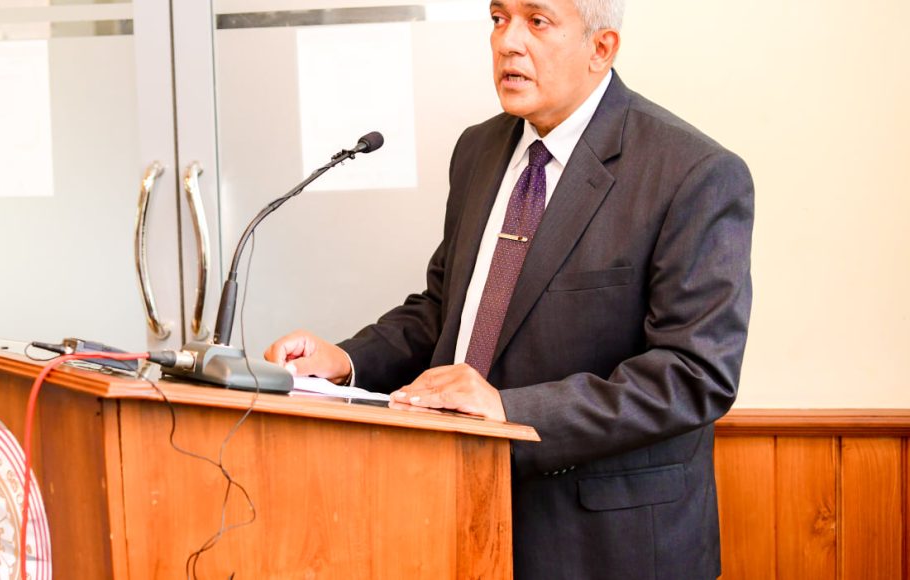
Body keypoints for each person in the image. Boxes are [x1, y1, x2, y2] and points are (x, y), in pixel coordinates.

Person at [264, 0, 753, 577]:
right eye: (499, 18)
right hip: (457, 508)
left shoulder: (692, 171)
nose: (507, 42)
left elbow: (694, 375)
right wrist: (346, 361)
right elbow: (445, 310)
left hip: (606, 540)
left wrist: (510, 409)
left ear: (601, 48)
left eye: (536, 21)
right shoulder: (478, 149)